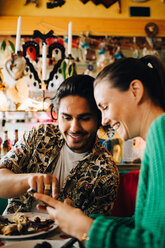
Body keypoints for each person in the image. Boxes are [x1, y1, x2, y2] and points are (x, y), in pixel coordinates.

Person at [34, 55, 165, 248]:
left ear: (135, 91)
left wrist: (85, 228)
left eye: (105, 107)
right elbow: (140, 226)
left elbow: (154, 244)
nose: (103, 121)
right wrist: (81, 219)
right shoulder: (155, 138)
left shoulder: (160, 131)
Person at [0, 74, 119, 215]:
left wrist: (73, 218)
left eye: (85, 118)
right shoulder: (40, 135)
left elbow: (91, 232)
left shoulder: (106, 171)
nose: (74, 128)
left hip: (65, 237)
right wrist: (28, 180)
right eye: (67, 117)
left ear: (99, 118)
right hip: (13, 233)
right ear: (56, 114)